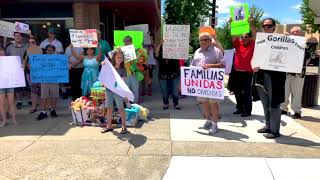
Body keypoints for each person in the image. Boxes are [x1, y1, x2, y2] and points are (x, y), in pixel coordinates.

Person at [253, 18, 287, 139]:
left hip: (275, 77)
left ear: (274, 27)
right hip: (261, 75)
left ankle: (274, 130)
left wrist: (289, 40)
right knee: (265, 103)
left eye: (268, 26)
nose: (266, 28)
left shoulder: (282, 41)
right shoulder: (261, 41)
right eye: (264, 26)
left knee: (274, 104)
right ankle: (268, 126)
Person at [192, 32, 225, 134]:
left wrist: (210, 66)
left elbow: (223, 64)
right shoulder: (197, 51)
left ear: (210, 41)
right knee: (204, 103)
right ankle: (208, 120)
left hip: (213, 84)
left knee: (213, 104)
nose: (203, 42)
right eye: (201, 40)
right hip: (201, 84)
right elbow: (192, 66)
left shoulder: (216, 51)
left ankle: (215, 124)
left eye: (206, 40)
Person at [281, 26, 310, 119]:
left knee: (297, 93)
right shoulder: (286, 42)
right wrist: (284, 38)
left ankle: (297, 111)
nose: (294, 33)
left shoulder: (304, 44)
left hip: (298, 73)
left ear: (300, 33)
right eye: (293, 32)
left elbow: (309, 57)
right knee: (285, 91)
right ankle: (283, 108)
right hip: (286, 72)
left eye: (296, 32)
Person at [229, 17, 256, 117]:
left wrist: (251, 23)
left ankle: (247, 111)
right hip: (237, 72)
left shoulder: (252, 44)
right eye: (242, 37)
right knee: (237, 91)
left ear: (250, 38)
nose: (243, 39)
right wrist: (232, 24)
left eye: (245, 37)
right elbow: (233, 36)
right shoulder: (238, 44)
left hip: (247, 73)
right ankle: (239, 108)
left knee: (247, 92)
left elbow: (254, 34)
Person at [101, 48, 127, 134]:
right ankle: (109, 126)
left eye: (121, 58)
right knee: (109, 108)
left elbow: (123, 81)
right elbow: (104, 73)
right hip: (109, 90)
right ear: (114, 58)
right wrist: (103, 65)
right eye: (118, 57)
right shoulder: (109, 67)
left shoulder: (123, 69)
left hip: (118, 91)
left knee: (121, 108)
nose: (120, 59)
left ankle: (124, 126)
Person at [155, 40, 181, 110]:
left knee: (175, 91)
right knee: (164, 91)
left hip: (174, 74)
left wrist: (184, 42)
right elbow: (156, 53)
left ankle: (176, 103)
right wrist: (160, 44)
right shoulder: (160, 55)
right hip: (163, 75)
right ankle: (166, 103)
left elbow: (182, 50)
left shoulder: (176, 54)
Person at [36, 45, 60, 120]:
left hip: (54, 80)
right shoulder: (41, 59)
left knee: (54, 96)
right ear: (46, 51)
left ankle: (53, 110)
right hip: (44, 80)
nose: (50, 52)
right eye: (48, 50)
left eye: (51, 50)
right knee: (43, 96)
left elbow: (62, 68)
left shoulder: (58, 59)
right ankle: (43, 112)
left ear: (54, 51)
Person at [6, 32, 28, 109]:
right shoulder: (9, 48)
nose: (17, 37)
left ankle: (30, 100)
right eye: (16, 36)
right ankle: (19, 101)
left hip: (26, 69)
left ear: (22, 37)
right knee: (17, 86)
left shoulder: (27, 46)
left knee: (28, 86)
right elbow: (6, 59)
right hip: (14, 71)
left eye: (19, 35)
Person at [24, 37, 43, 113]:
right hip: (30, 74)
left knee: (42, 90)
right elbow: (24, 61)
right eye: (29, 42)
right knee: (33, 91)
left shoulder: (42, 51)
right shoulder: (26, 52)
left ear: (36, 43)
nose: (31, 43)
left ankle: (43, 106)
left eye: (33, 42)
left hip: (41, 74)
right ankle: (34, 107)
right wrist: (26, 65)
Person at [0, 48, 18, 127]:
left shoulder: (11, 62)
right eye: (0, 54)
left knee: (11, 102)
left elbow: (17, 70)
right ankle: (4, 120)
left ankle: (14, 119)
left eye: (3, 54)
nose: (2, 56)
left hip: (10, 84)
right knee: (2, 103)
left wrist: (21, 66)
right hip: (1, 85)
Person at [123, 36, 140, 103]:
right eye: (125, 43)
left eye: (127, 42)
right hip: (125, 73)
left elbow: (139, 62)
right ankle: (128, 105)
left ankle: (135, 104)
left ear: (131, 42)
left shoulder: (136, 50)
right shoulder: (122, 50)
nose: (125, 44)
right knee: (127, 90)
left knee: (135, 89)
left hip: (134, 73)